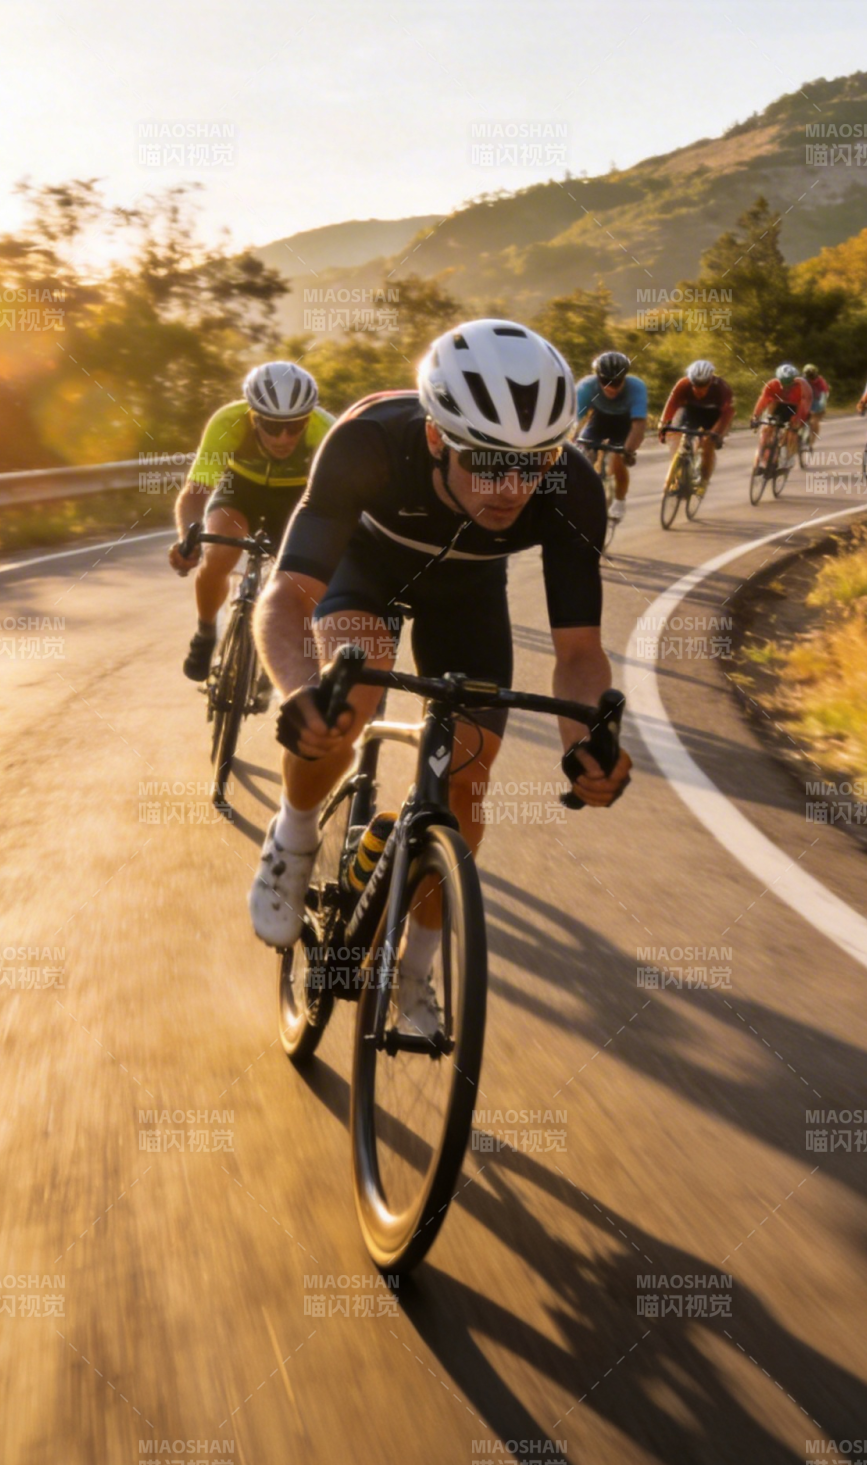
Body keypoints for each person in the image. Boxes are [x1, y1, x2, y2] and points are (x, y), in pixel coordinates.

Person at [248, 320, 632, 1032]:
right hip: (367, 575)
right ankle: (293, 837)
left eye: (534, 462)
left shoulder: (571, 486)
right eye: (486, 462)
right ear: (435, 438)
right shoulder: (369, 441)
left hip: (468, 597)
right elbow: (288, 595)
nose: (513, 487)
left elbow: (579, 653)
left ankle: (416, 970)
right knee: (347, 703)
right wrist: (299, 687)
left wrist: (587, 742)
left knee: (469, 777)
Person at [169, 361, 334, 686]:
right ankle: (205, 633)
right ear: (253, 415)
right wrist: (187, 540)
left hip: (297, 498)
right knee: (219, 551)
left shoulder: (326, 430)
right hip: (240, 492)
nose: (284, 437)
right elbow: (196, 491)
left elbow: (337, 503)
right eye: (272, 427)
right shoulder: (229, 421)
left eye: (296, 425)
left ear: (308, 419)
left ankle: (275, 643)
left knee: (303, 579)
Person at [573, 351, 648, 523]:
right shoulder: (587, 386)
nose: (611, 387)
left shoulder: (636, 387)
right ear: (598, 377)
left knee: (618, 460)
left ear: (625, 378)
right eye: (606, 382)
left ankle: (620, 501)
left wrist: (628, 451)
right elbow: (572, 419)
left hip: (625, 424)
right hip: (599, 420)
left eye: (616, 382)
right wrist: (570, 441)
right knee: (581, 456)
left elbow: (638, 425)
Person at [656, 359, 734, 496]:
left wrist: (716, 434)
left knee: (707, 444)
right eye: (696, 386)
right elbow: (671, 405)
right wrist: (663, 425)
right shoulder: (683, 384)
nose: (699, 390)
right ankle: (677, 472)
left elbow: (727, 414)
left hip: (715, 416)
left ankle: (703, 480)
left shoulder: (722, 388)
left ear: (710, 381)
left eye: (703, 386)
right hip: (691, 412)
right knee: (675, 435)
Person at [749, 363, 812, 468]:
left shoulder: (802, 387)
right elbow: (763, 400)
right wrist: (755, 416)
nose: (786, 386)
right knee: (767, 428)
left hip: (796, 408)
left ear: (794, 380)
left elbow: (804, 406)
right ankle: (763, 458)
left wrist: (796, 421)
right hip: (778, 406)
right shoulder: (772, 385)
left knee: (792, 432)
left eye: (790, 383)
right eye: (783, 382)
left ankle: (789, 454)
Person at [802, 364, 830, 448]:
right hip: (806, 400)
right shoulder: (803, 380)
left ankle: (812, 440)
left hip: (817, 401)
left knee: (814, 421)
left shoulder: (820, 381)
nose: (810, 379)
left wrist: (822, 404)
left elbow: (824, 394)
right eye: (808, 376)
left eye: (812, 376)